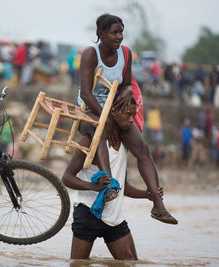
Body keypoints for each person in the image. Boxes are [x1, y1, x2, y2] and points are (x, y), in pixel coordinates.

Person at [77, 13, 177, 224]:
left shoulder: (126, 53)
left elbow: (127, 83)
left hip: (114, 111)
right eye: (114, 33)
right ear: (101, 34)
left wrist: (128, 92)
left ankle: (158, 205)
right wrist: (106, 120)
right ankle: (110, 184)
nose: (119, 37)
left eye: (121, 32)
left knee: (141, 147)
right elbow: (86, 93)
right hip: (88, 111)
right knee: (100, 130)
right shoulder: (89, 54)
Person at [62, 97, 164, 260]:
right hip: (88, 213)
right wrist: (93, 186)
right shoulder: (90, 141)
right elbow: (66, 178)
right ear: (114, 112)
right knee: (78, 263)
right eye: (128, 115)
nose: (132, 120)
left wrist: (146, 194)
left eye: (134, 115)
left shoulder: (125, 144)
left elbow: (122, 185)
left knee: (130, 263)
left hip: (114, 217)